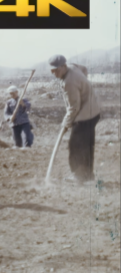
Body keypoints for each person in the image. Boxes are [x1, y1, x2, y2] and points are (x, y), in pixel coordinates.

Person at [49, 54, 101, 184]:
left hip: (85, 116)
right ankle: (88, 176)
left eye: (56, 70)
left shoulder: (69, 82)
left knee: (75, 146)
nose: (54, 74)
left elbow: (73, 108)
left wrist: (65, 124)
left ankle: (78, 176)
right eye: (52, 71)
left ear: (63, 66)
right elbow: (84, 69)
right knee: (87, 145)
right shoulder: (72, 67)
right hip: (93, 111)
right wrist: (84, 85)